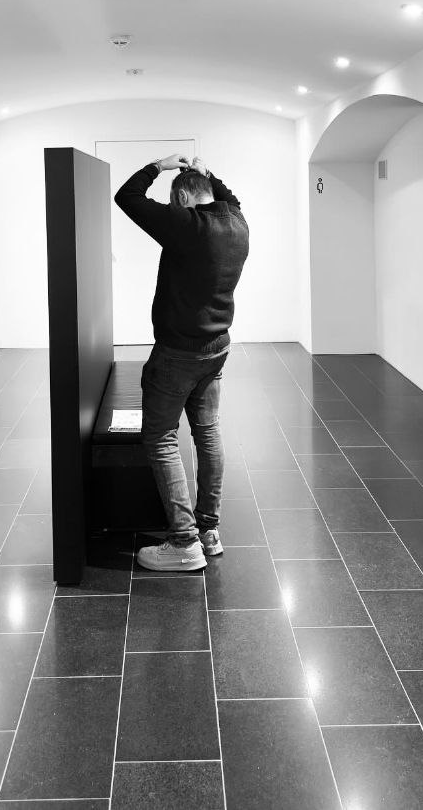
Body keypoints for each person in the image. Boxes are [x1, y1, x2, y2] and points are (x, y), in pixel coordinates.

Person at [114, 153, 249, 571]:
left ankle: (184, 542)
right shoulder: (237, 222)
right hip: (217, 348)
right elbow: (229, 198)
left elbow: (127, 196)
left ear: (185, 198)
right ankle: (208, 531)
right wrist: (207, 173)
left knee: (161, 439)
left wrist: (159, 165)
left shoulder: (187, 225)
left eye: (178, 202)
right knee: (207, 433)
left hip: (178, 353)